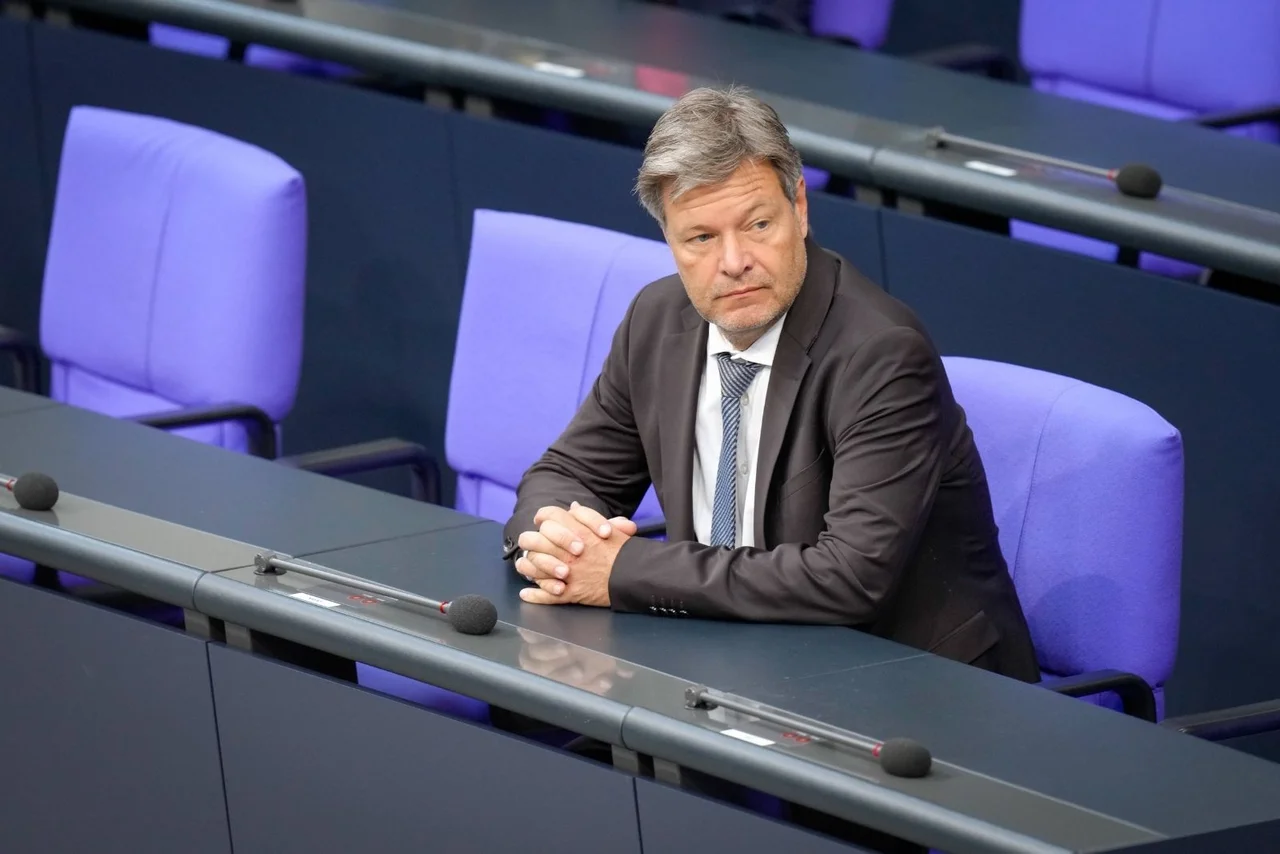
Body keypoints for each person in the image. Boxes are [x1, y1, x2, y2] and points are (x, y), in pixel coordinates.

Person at [502, 85, 1039, 683]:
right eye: (701, 238)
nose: (733, 262)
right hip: (734, 656)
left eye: (757, 224)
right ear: (671, 242)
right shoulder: (657, 322)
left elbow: (850, 578)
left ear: (800, 208)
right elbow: (566, 474)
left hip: (906, 681)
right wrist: (560, 541)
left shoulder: (881, 354)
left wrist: (622, 571)